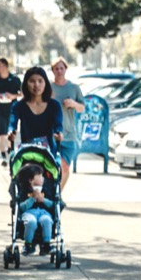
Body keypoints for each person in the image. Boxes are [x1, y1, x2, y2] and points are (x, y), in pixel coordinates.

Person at [8, 66, 63, 155]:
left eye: (40, 81)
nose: (36, 85)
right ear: (26, 83)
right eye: (32, 81)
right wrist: (11, 132)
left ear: (46, 83)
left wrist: (59, 134)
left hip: (49, 154)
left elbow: (58, 125)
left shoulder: (54, 105)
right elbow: (12, 124)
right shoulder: (18, 106)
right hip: (26, 153)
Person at [49, 57, 85, 192]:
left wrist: (73, 104)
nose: (59, 71)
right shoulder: (47, 87)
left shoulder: (74, 88)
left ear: (65, 70)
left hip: (69, 134)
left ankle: (58, 194)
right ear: (52, 70)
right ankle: (50, 192)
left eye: (61, 68)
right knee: (50, 166)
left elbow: (82, 108)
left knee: (64, 167)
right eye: (56, 68)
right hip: (51, 134)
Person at [16, 163, 55, 256]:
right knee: (31, 222)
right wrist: (32, 199)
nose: (43, 177)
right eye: (40, 175)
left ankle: (46, 244)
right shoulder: (24, 190)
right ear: (30, 180)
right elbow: (22, 207)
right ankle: (28, 244)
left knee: (46, 220)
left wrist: (43, 200)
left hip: (43, 212)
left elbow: (52, 204)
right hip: (29, 212)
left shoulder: (46, 188)